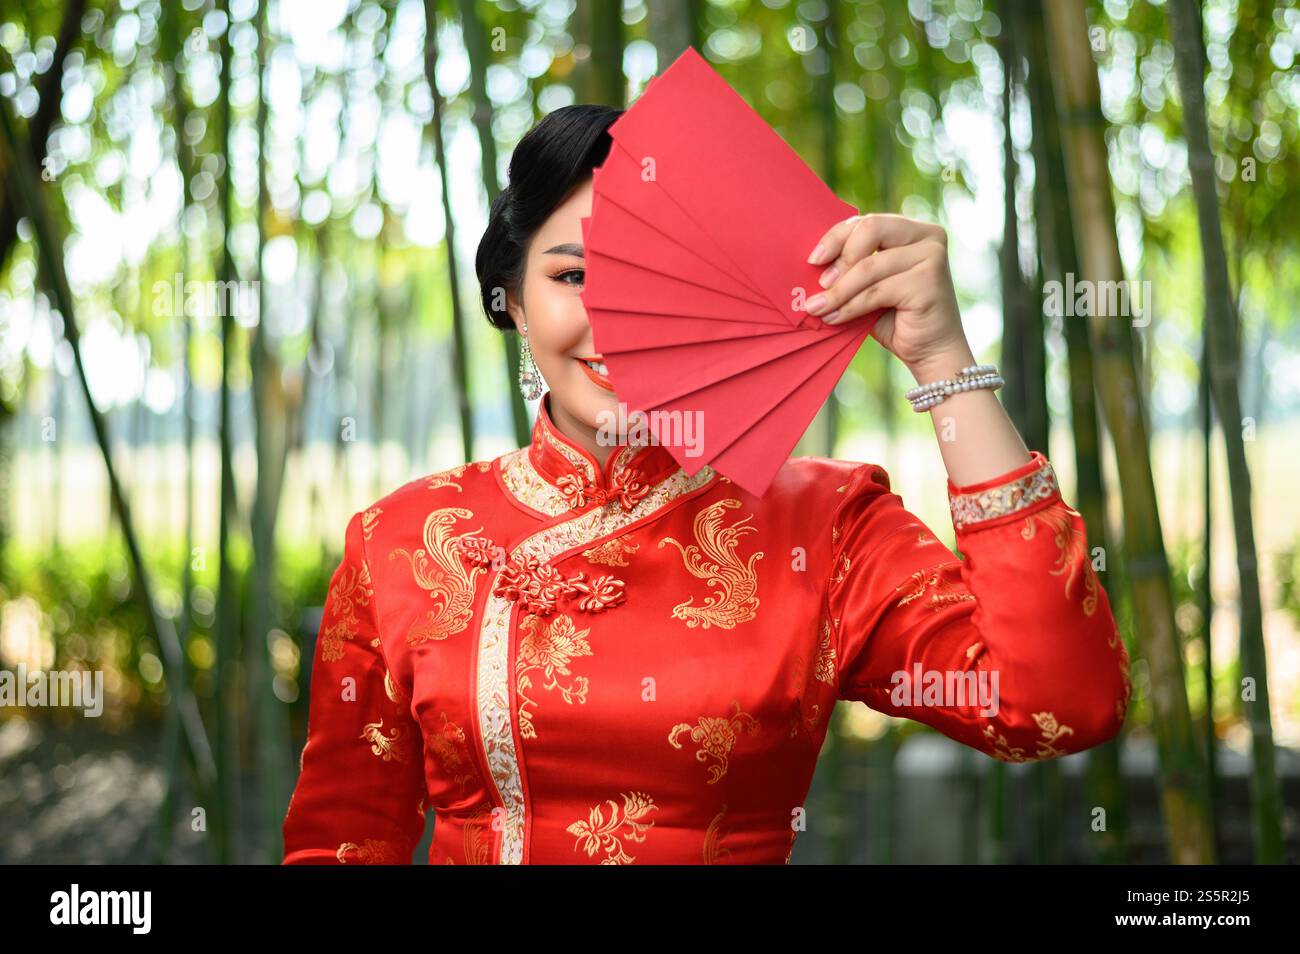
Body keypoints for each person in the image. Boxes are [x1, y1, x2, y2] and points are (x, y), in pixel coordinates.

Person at [281, 104, 1130, 865]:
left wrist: (943, 359)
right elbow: (341, 841)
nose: (617, 320)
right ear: (513, 301)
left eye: (654, 279)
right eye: (573, 276)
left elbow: (1057, 702)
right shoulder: (400, 542)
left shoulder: (822, 526)